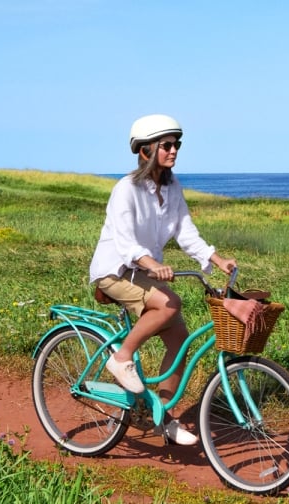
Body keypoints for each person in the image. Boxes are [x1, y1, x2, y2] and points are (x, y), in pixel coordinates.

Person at [88, 114, 237, 446]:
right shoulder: (125, 190)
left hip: (141, 271)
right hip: (114, 270)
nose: (174, 151)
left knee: (179, 339)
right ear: (145, 151)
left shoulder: (171, 187)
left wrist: (216, 259)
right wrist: (152, 264)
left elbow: (186, 233)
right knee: (169, 303)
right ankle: (122, 357)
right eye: (167, 145)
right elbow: (126, 244)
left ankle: (164, 416)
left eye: (176, 144)